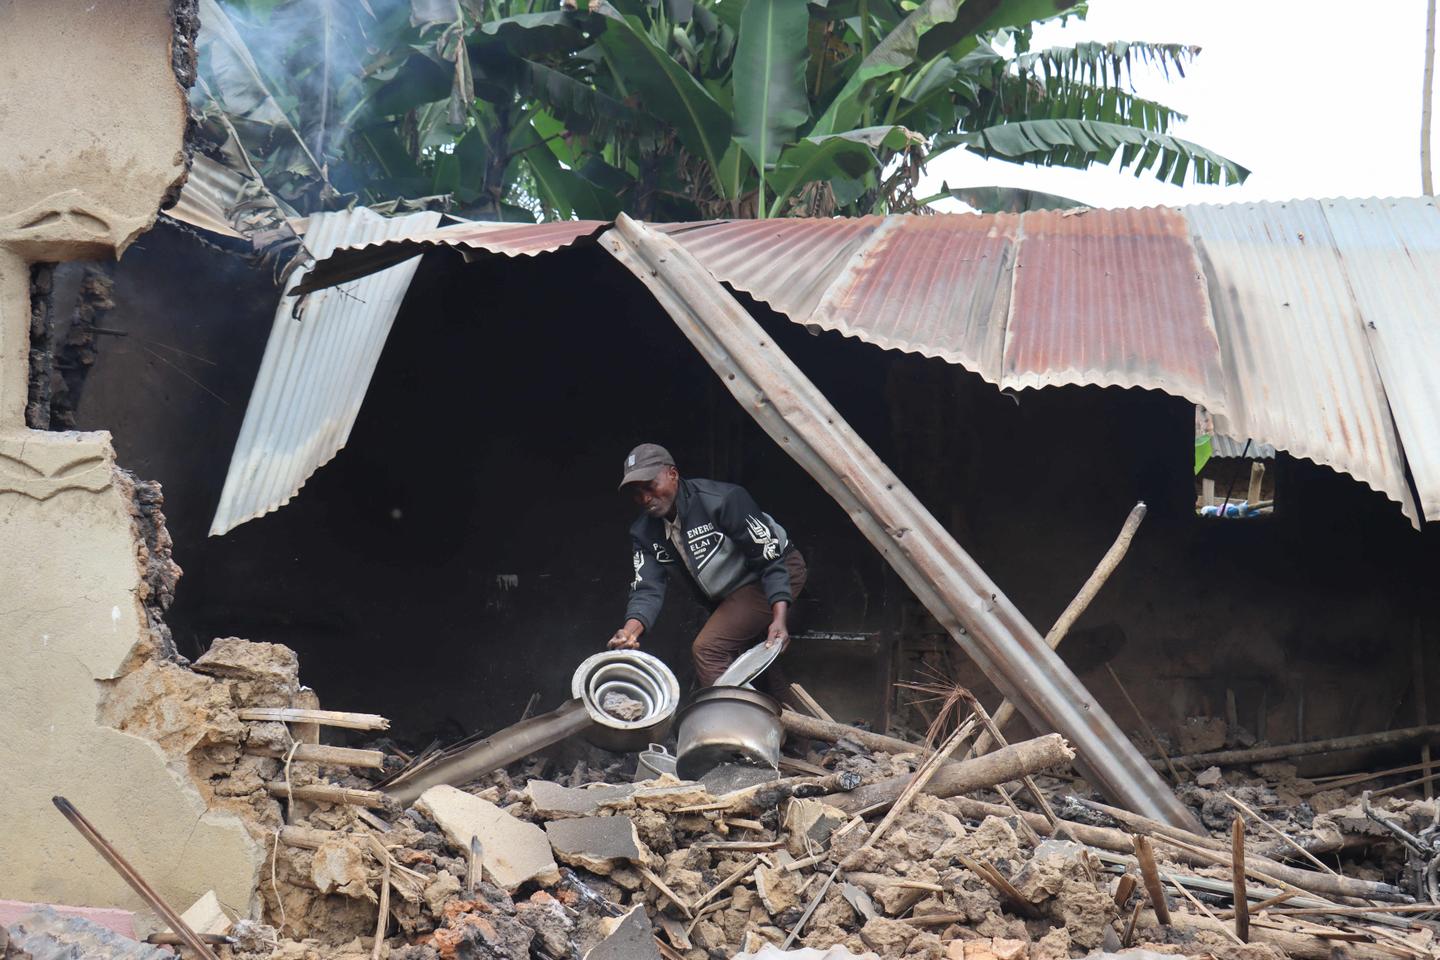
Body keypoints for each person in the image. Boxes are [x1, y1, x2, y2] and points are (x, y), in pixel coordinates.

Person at [607, 443, 807, 689]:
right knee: (753, 665)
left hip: (775, 570)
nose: (645, 498)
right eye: (637, 493)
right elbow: (647, 588)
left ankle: (729, 723)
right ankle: (778, 719)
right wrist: (629, 632)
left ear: (673, 474)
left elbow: (769, 557)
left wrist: (778, 619)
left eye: (650, 486)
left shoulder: (722, 500)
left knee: (708, 649)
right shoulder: (644, 532)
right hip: (732, 591)